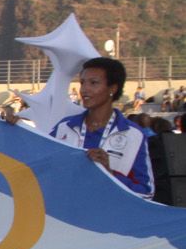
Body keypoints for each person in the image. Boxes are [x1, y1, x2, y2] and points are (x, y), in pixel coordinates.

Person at [47, 56, 154, 199]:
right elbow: (39, 163)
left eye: (93, 83)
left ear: (112, 89)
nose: (84, 90)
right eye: (82, 83)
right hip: (68, 216)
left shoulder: (133, 135)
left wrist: (109, 174)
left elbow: (146, 193)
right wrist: (15, 126)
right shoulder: (64, 127)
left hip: (109, 218)